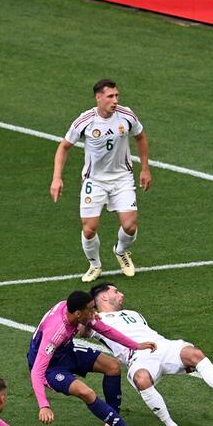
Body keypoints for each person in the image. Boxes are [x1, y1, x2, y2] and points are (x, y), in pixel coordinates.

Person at [89, 283, 213, 426]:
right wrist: (88, 316)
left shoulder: (134, 313)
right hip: (138, 357)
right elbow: (78, 327)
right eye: (116, 292)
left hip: (162, 345)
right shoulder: (95, 321)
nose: (121, 295)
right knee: (141, 379)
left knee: (194, 353)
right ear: (104, 296)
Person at [51, 79, 151, 283]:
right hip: (94, 181)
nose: (115, 100)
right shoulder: (85, 121)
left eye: (117, 96)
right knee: (89, 228)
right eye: (110, 96)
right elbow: (63, 147)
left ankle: (121, 251)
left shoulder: (126, 115)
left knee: (130, 225)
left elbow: (140, 137)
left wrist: (145, 168)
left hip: (122, 178)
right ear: (98, 98)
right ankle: (95, 265)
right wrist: (56, 178)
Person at [27, 290, 154, 426]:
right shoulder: (55, 332)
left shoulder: (72, 310)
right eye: (91, 309)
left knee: (113, 366)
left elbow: (106, 330)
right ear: (79, 314)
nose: (94, 313)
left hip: (66, 351)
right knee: (86, 392)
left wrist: (135, 345)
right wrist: (43, 406)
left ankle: (111, 423)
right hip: (50, 367)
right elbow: (36, 372)